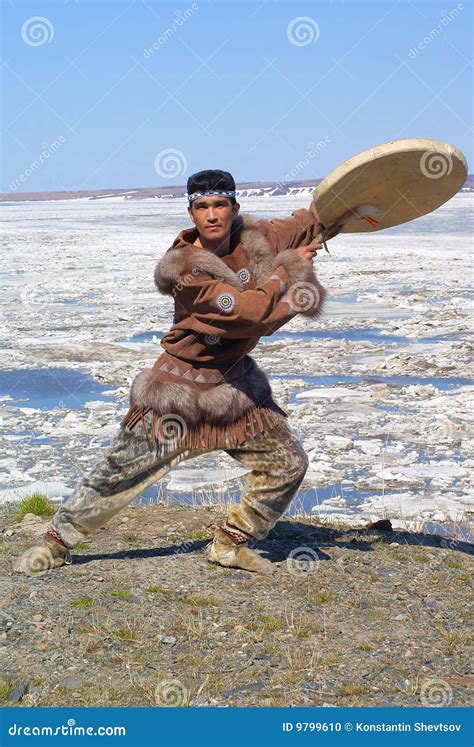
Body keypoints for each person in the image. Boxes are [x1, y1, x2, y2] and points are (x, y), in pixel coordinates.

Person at [15, 169, 326, 576]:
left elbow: (310, 221)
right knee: (119, 474)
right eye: (202, 207)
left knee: (288, 462)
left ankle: (231, 543)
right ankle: (56, 545)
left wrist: (359, 204)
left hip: (233, 387)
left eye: (220, 205)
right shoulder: (185, 271)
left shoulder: (257, 237)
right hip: (178, 390)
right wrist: (289, 271)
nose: (212, 215)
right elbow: (249, 315)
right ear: (190, 212)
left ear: (235, 208)